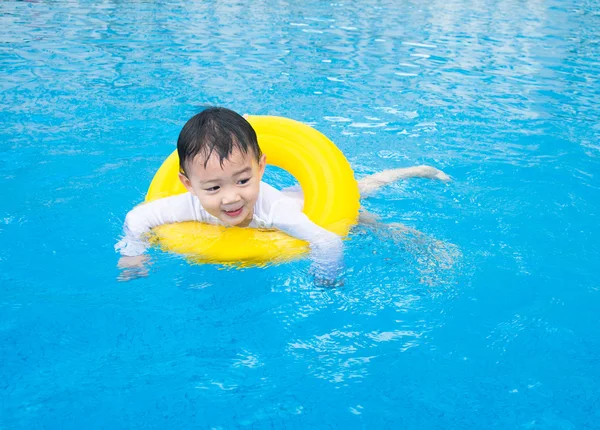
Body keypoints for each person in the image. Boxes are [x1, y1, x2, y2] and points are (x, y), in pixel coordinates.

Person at [116, 107, 450, 282]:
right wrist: (134, 253)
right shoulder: (185, 203)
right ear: (188, 184)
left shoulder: (273, 208)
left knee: (368, 214)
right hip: (292, 199)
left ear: (261, 167)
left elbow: (328, 241)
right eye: (214, 188)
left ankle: (418, 178)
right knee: (367, 188)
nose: (231, 198)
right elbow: (137, 217)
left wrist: (326, 276)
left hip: (305, 203)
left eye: (243, 180)